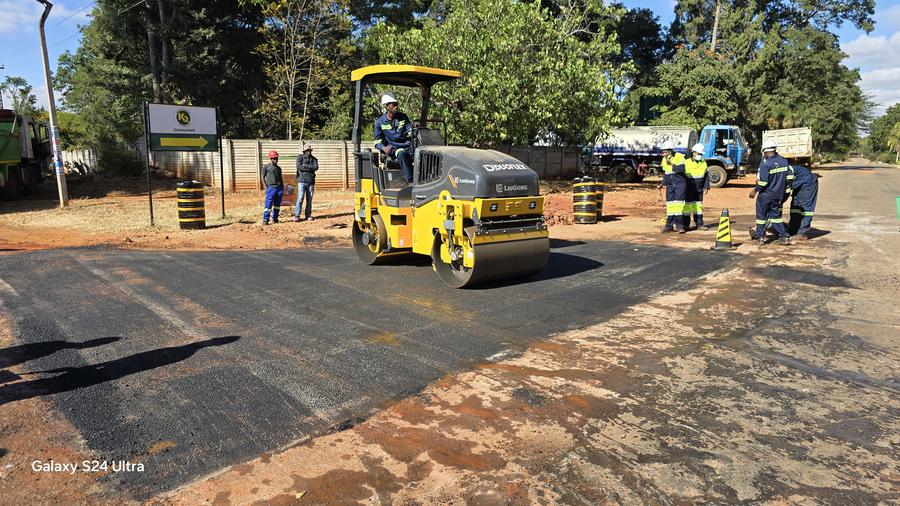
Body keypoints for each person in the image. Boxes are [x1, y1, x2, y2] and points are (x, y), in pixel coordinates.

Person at [748, 140, 790, 245]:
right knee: (775, 217)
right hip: (778, 195)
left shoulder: (766, 164)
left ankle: (759, 238)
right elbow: (788, 178)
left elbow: (763, 182)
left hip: (766, 195)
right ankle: (784, 237)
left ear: (766, 152)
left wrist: (755, 190)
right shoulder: (784, 161)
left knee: (761, 217)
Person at [374, 93, 414, 182]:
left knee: (422, 152)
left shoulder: (403, 117)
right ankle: (410, 181)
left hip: (409, 146)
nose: (396, 106)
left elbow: (409, 131)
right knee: (401, 153)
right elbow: (377, 142)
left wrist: (414, 128)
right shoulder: (379, 123)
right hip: (395, 149)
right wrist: (384, 148)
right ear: (386, 106)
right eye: (393, 104)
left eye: (396, 104)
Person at [659, 140, 688, 233]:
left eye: (664, 151)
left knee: (678, 205)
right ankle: (669, 226)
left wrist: (671, 164)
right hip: (670, 184)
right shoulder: (664, 159)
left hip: (679, 183)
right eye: (662, 151)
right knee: (670, 205)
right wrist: (663, 183)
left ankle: (680, 226)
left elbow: (682, 169)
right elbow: (666, 173)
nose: (663, 153)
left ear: (670, 151)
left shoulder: (679, 156)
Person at [785, 164, 818, 239]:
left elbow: (786, 192)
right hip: (799, 183)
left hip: (808, 183)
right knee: (795, 207)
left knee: (806, 207)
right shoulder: (776, 174)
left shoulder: (786, 171)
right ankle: (793, 229)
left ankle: (802, 232)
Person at [684, 143, 709, 229]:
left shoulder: (703, 163)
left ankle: (699, 224)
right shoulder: (686, 162)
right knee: (687, 207)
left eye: (701, 154)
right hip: (688, 188)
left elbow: (706, 176)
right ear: (693, 152)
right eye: (698, 153)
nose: (699, 155)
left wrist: (706, 187)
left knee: (698, 207)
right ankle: (685, 225)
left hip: (699, 188)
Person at [293, 144, 318, 221]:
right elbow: (299, 167)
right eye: (307, 150)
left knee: (309, 199)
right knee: (300, 198)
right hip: (301, 181)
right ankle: (297, 216)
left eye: (309, 150)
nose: (309, 152)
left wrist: (305, 166)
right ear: (304, 151)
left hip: (311, 181)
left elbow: (316, 167)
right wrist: (310, 168)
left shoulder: (314, 159)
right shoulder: (299, 157)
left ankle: (308, 215)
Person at [261, 150, 284, 225]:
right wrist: (266, 187)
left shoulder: (279, 168)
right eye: (274, 158)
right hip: (271, 188)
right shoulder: (266, 167)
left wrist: (282, 187)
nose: (275, 160)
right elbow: (262, 176)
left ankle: (275, 218)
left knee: (277, 205)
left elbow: (281, 178)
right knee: (268, 204)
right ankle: (265, 219)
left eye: (276, 158)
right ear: (270, 159)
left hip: (279, 188)